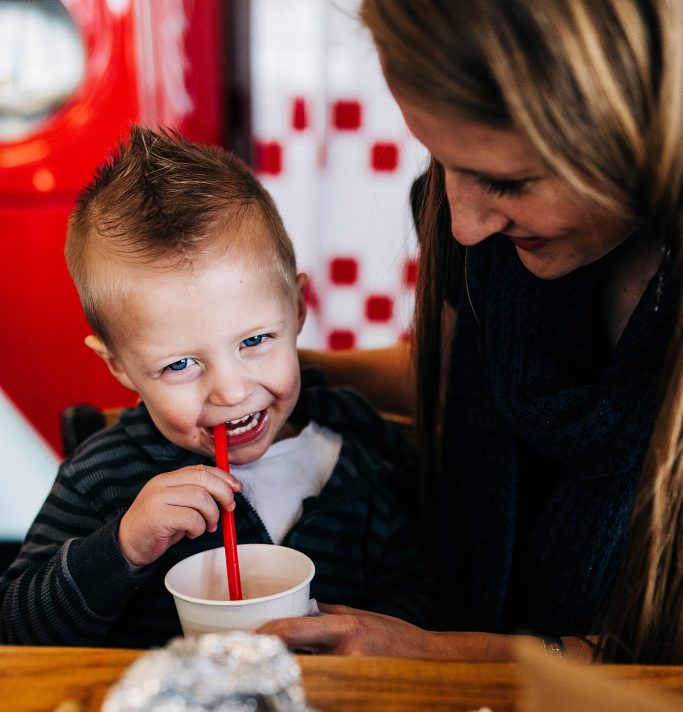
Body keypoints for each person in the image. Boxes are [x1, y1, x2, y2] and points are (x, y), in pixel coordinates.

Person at [259, 0, 683, 663]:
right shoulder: (486, 230)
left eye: (508, 183)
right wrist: (253, 371)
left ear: (647, 127)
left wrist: (445, 657)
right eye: (436, 157)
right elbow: (444, 374)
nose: (462, 225)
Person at [0, 125, 431, 648]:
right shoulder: (103, 477)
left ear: (296, 311)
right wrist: (122, 549)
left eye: (254, 341)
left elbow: (422, 601)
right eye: (180, 364)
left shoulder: (364, 452)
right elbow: (14, 627)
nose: (230, 391)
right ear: (118, 367)